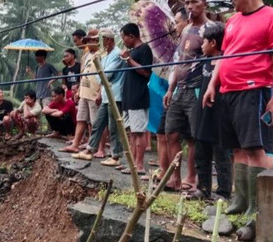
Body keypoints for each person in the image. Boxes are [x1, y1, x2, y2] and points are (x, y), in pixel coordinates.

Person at [202, 0, 273, 241]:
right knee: (237, 148)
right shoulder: (233, 20)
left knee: (255, 148)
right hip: (229, 92)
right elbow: (225, 55)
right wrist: (212, 84)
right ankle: (240, 200)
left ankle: (257, 208)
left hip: (255, 89)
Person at [163, 0, 214, 191]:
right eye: (188, 3)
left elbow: (214, 61)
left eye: (195, 2)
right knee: (171, 133)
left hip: (197, 89)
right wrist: (170, 89)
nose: (190, 6)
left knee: (194, 137)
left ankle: (192, 177)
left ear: (205, 4)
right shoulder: (186, 30)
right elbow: (180, 62)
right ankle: (174, 178)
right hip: (179, 89)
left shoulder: (210, 29)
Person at [185, 22, 232, 201]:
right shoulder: (204, 61)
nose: (201, 45)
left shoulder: (225, 61)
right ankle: (203, 189)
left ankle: (223, 192)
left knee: (221, 156)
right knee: (201, 154)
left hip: (220, 116)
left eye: (204, 42)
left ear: (213, 43)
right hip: (203, 115)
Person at [146, 7, 191, 182]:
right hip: (171, 92)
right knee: (162, 133)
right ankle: (166, 173)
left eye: (177, 22)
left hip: (186, 91)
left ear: (186, 22)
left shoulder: (195, 39)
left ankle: (185, 178)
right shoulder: (173, 45)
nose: (175, 26)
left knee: (185, 137)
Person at [71, 28, 126, 167]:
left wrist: (101, 76)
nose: (101, 43)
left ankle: (116, 155)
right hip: (106, 94)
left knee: (113, 126)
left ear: (108, 39)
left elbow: (105, 75)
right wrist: (101, 78)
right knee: (97, 124)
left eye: (102, 40)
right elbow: (100, 75)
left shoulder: (117, 54)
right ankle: (90, 150)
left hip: (115, 95)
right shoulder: (105, 55)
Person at [60, 28, 102, 153]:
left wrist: (100, 92)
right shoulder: (86, 55)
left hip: (94, 92)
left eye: (91, 40)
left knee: (95, 121)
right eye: (87, 40)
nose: (88, 42)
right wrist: (78, 91)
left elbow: (103, 76)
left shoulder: (101, 54)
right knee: (81, 118)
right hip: (84, 91)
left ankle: (96, 147)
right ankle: (76, 144)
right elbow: (83, 74)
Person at [119, 23, 153, 174]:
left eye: (124, 37)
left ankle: (139, 165)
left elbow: (146, 72)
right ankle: (133, 164)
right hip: (128, 98)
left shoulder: (145, 49)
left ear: (131, 36)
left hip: (138, 97)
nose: (123, 41)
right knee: (132, 132)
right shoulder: (133, 51)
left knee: (139, 132)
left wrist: (129, 60)